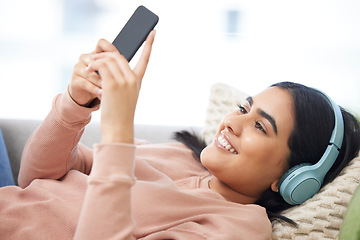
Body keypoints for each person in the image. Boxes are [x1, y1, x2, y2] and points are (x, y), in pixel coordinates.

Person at [0, 30, 359, 239]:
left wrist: (118, 132)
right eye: (244, 109)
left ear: (293, 178)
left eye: (261, 127)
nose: (232, 123)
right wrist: (74, 104)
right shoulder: (179, 154)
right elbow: (38, 178)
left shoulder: (237, 228)